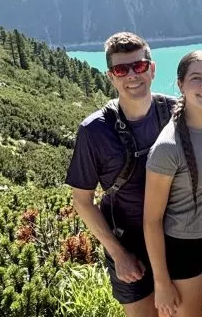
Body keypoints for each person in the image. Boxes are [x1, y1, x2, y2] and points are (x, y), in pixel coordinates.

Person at [66, 32, 173, 317]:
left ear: (151, 69)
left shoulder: (175, 112)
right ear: (111, 77)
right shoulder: (94, 131)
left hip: (174, 238)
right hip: (129, 246)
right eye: (120, 70)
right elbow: (82, 200)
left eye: (138, 66)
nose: (131, 75)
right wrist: (118, 254)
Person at [143, 51, 202, 317]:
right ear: (181, 85)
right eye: (196, 78)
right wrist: (161, 282)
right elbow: (151, 220)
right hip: (182, 249)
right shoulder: (167, 148)